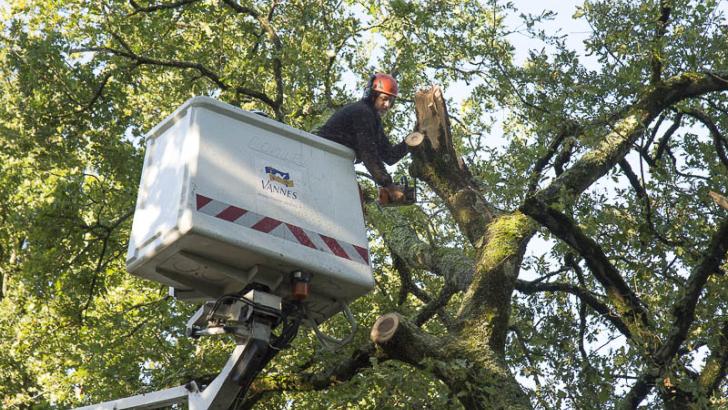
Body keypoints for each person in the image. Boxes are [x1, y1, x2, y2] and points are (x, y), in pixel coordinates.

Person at [316, 73, 411, 203]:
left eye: (391, 101)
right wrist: (389, 185)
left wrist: (412, 141)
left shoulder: (372, 118)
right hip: (322, 160)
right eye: (384, 99)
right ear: (372, 96)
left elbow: (389, 155)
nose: (387, 105)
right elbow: (368, 154)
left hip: (334, 163)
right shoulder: (362, 112)